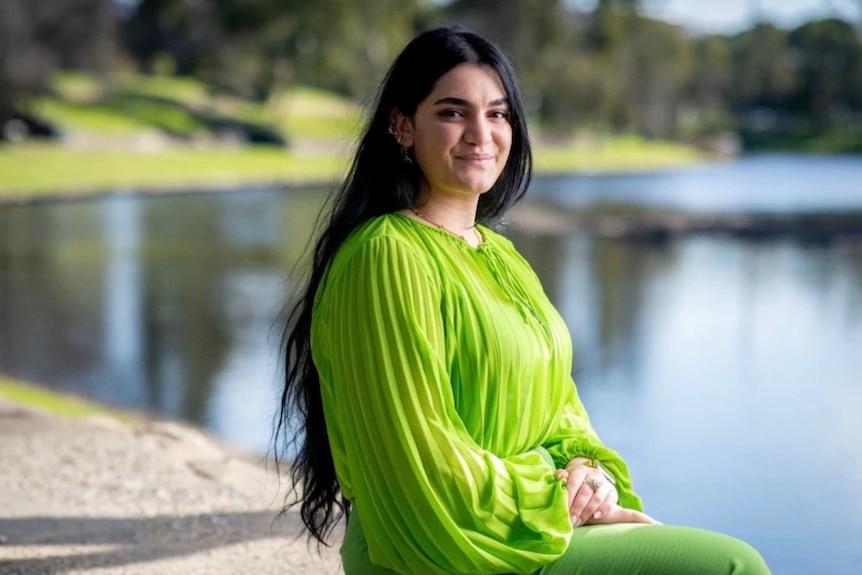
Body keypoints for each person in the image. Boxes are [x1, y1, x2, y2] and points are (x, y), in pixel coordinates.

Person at [277, 25, 772, 575]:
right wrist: (555, 498)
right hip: (445, 547)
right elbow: (421, 462)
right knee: (731, 565)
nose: (480, 134)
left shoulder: (502, 256)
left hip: (526, 526)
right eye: (451, 112)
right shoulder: (386, 258)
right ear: (402, 126)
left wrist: (586, 471)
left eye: (498, 113)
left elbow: (561, 413)